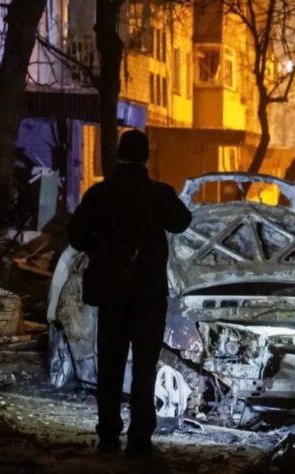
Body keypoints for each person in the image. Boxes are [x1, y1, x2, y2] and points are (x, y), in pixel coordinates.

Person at [68, 130, 192, 456]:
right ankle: (140, 438)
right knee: (144, 367)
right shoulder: (159, 194)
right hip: (148, 295)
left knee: (110, 365)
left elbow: (76, 235)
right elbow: (182, 221)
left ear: (119, 154)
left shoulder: (100, 194)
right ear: (146, 157)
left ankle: (108, 434)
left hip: (112, 294)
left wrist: (101, 248)